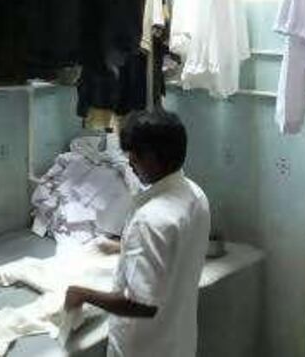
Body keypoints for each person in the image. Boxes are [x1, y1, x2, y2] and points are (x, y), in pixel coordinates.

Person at [64, 109, 211, 357]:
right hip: (177, 342)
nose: (130, 161)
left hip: (143, 348)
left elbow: (141, 304)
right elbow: (175, 252)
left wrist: (81, 294)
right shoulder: (195, 195)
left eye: (135, 154)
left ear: (154, 157)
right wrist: (122, 247)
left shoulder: (150, 220)